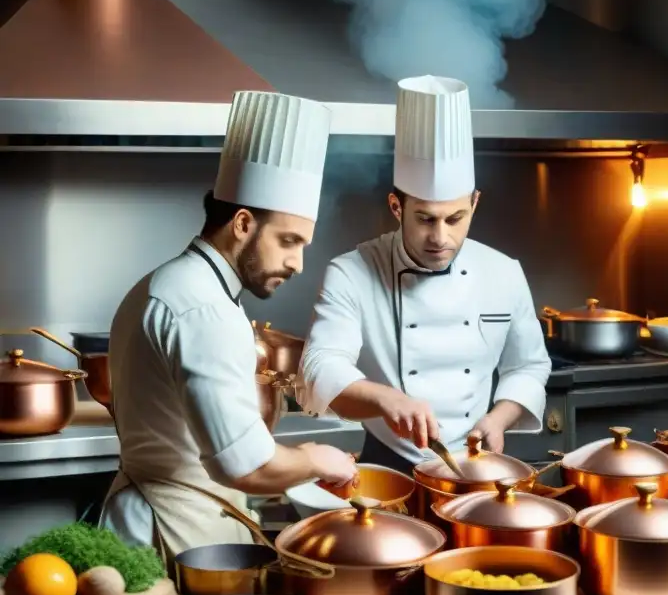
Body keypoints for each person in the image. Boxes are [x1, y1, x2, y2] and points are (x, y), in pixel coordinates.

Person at [99, 91, 358, 561]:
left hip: (161, 515)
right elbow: (247, 467)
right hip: (174, 529)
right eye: (288, 241)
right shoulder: (203, 309)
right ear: (242, 223)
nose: (298, 263)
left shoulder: (166, 282)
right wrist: (317, 458)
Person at [297, 75, 551, 472]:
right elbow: (320, 365)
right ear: (396, 206)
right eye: (425, 219)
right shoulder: (351, 272)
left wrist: (500, 418)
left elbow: (529, 366)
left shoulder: (504, 273)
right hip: (389, 463)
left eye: (455, 218)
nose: (440, 237)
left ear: (475, 203)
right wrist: (386, 399)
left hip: (476, 462)